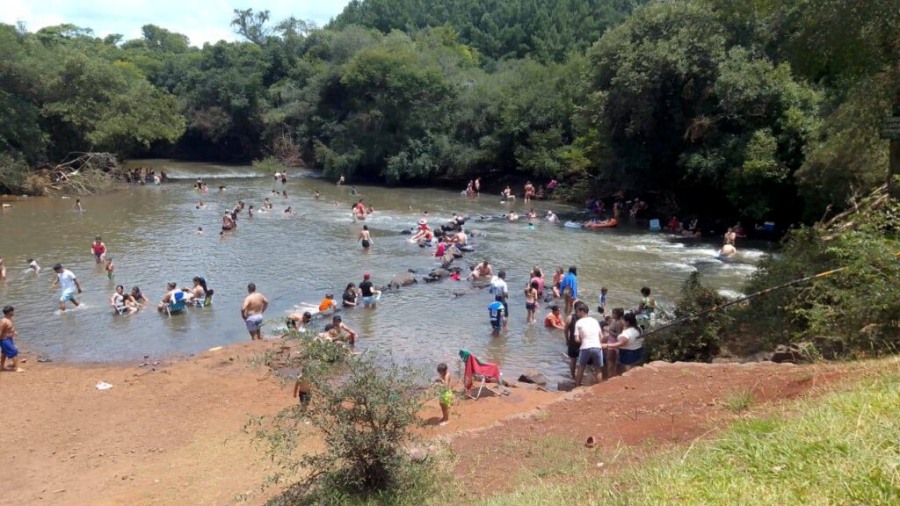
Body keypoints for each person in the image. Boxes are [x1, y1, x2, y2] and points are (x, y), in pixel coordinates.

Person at [573, 303, 603, 387]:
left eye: (577, 312)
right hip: (597, 347)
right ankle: (600, 388)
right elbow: (601, 336)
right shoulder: (595, 321)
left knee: (581, 368)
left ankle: (577, 386)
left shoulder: (578, 322)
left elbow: (576, 339)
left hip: (585, 347)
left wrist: (583, 341)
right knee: (598, 369)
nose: (577, 314)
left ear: (582, 311)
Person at [0, 305, 24, 372]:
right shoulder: (3, 321)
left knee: (4, 353)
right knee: (14, 351)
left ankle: (2, 367)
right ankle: (17, 368)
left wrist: (14, 332)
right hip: (4, 340)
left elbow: (9, 328)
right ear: (9, 312)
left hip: (9, 340)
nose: (13, 312)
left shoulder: (9, 319)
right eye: (12, 311)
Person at [603, 308, 625, 377]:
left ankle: (610, 376)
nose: (612, 314)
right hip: (613, 343)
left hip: (614, 343)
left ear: (617, 314)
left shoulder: (618, 323)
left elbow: (618, 335)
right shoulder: (619, 321)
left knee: (610, 360)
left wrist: (608, 331)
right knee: (613, 361)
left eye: (613, 313)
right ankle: (613, 375)